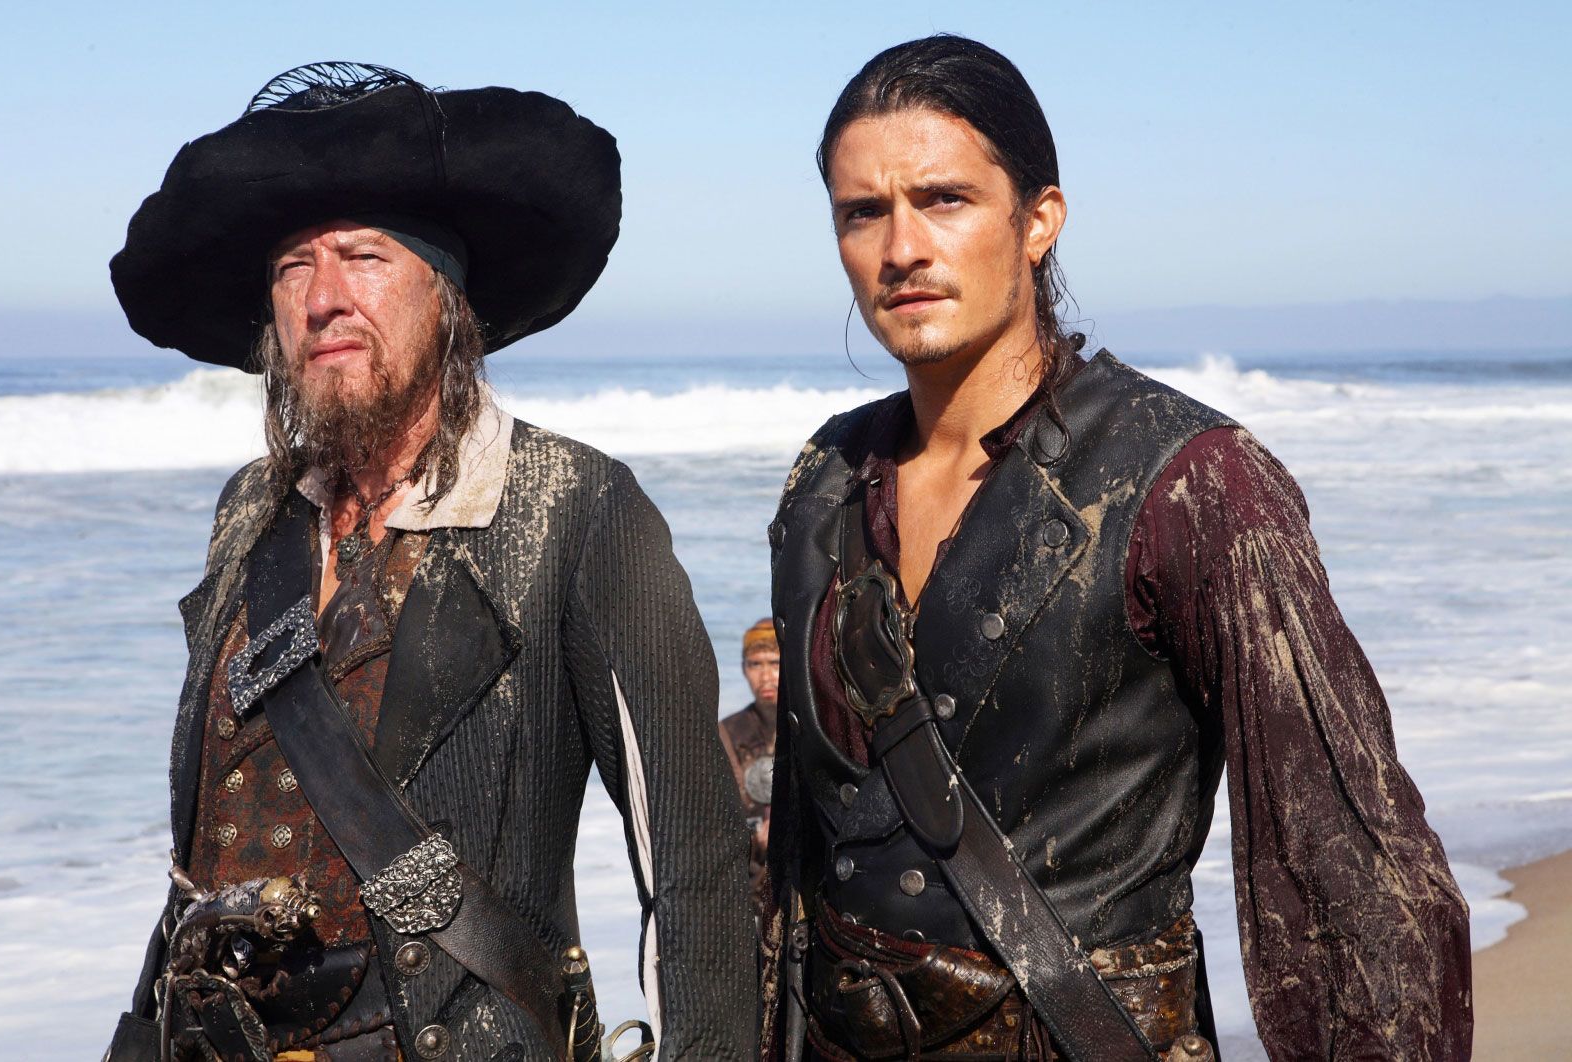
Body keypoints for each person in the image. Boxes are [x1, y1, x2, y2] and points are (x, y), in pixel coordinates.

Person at [759, 36, 1471, 1062]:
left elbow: (1344, 866)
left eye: (945, 199)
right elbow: (798, 865)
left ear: (1038, 218)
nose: (901, 247)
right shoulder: (823, 480)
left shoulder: (1193, 481)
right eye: (862, 212)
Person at [103, 62, 753, 1061]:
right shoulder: (249, 513)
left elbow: (693, 859)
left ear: (445, 296)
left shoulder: (575, 505)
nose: (323, 299)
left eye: (363, 257)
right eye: (293, 267)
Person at [718, 619, 781, 896]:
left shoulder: (813, 726)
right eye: (755, 664)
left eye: (775, 663)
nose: (765, 676)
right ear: (744, 669)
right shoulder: (727, 733)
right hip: (743, 884)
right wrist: (754, 837)